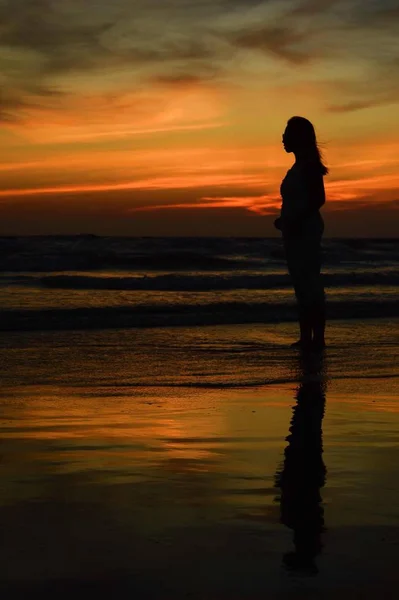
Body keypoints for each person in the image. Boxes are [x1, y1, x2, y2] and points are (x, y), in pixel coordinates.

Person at [274, 116, 328, 350]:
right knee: (301, 284)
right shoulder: (299, 166)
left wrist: (295, 220)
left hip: (304, 230)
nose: (283, 138)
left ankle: (317, 339)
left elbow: (318, 199)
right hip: (295, 229)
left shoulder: (308, 166)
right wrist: (285, 220)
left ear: (298, 137)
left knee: (309, 283)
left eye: (287, 133)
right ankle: (307, 337)